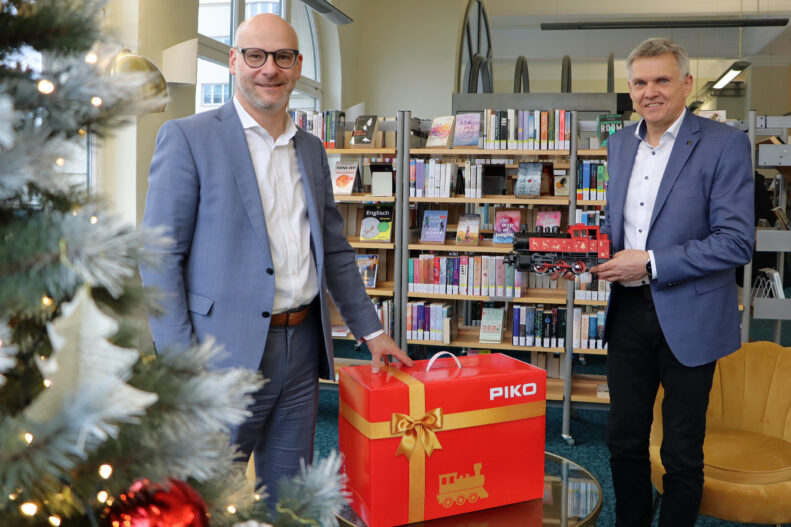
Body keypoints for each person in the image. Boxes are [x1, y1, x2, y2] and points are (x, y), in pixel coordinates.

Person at [139, 13, 412, 504]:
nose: (270, 69)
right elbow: (159, 260)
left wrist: (373, 332)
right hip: (218, 354)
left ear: (297, 64)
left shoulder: (310, 148)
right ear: (233, 62)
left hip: (303, 347)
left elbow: (333, 249)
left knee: (291, 494)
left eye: (282, 57)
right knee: (204, 496)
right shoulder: (189, 138)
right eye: (256, 56)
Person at [590, 38, 754, 526]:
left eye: (662, 80)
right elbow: (615, 224)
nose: (650, 92)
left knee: (682, 448)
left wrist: (652, 263)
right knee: (622, 438)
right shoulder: (619, 143)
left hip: (690, 314)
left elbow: (735, 242)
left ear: (686, 84)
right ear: (629, 89)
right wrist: (585, 249)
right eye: (640, 82)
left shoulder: (723, 143)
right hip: (628, 312)